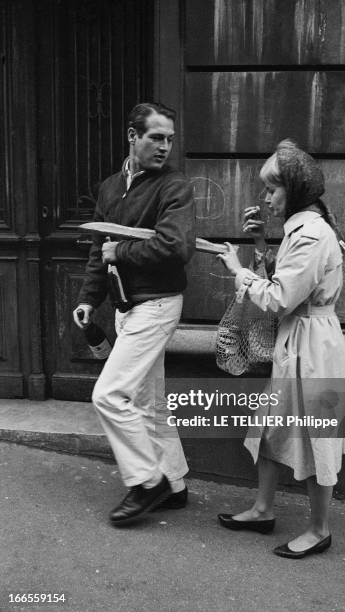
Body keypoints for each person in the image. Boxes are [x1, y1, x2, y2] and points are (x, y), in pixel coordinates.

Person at [217, 139, 345, 558]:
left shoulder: (311, 234)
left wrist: (239, 271)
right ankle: (262, 509)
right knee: (273, 426)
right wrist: (259, 247)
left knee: (320, 433)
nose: (267, 197)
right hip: (301, 339)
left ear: (295, 189)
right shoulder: (303, 230)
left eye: (273, 189)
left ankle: (320, 529)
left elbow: (279, 298)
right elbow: (290, 284)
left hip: (314, 346)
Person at [73, 102, 196, 527]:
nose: (164, 147)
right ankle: (175, 485)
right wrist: (90, 299)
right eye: (155, 138)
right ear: (132, 136)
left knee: (108, 395)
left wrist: (120, 250)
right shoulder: (110, 188)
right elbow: (97, 250)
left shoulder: (174, 188)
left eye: (169, 140)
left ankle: (147, 482)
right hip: (127, 305)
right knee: (148, 403)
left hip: (158, 304)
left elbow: (176, 248)